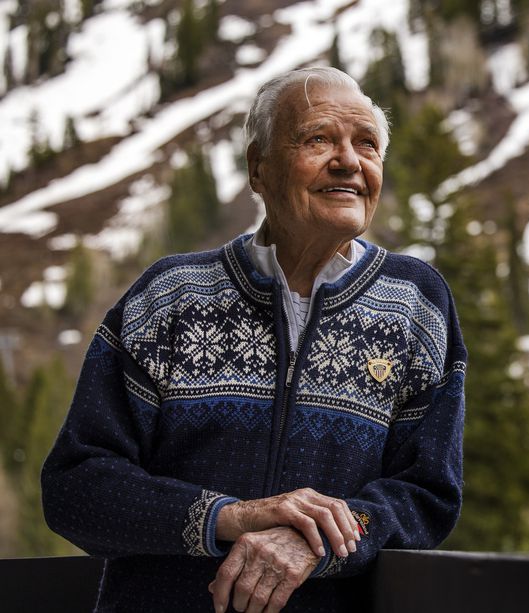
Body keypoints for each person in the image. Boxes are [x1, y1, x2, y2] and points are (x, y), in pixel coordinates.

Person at [41, 66, 466, 613]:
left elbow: (426, 495)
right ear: (258, 168)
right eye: (318, 139)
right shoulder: (171, 295)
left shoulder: (418, 302)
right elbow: (76, 486)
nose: (349, 162)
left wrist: (313, 539)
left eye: (367, 144)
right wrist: (230, 518)